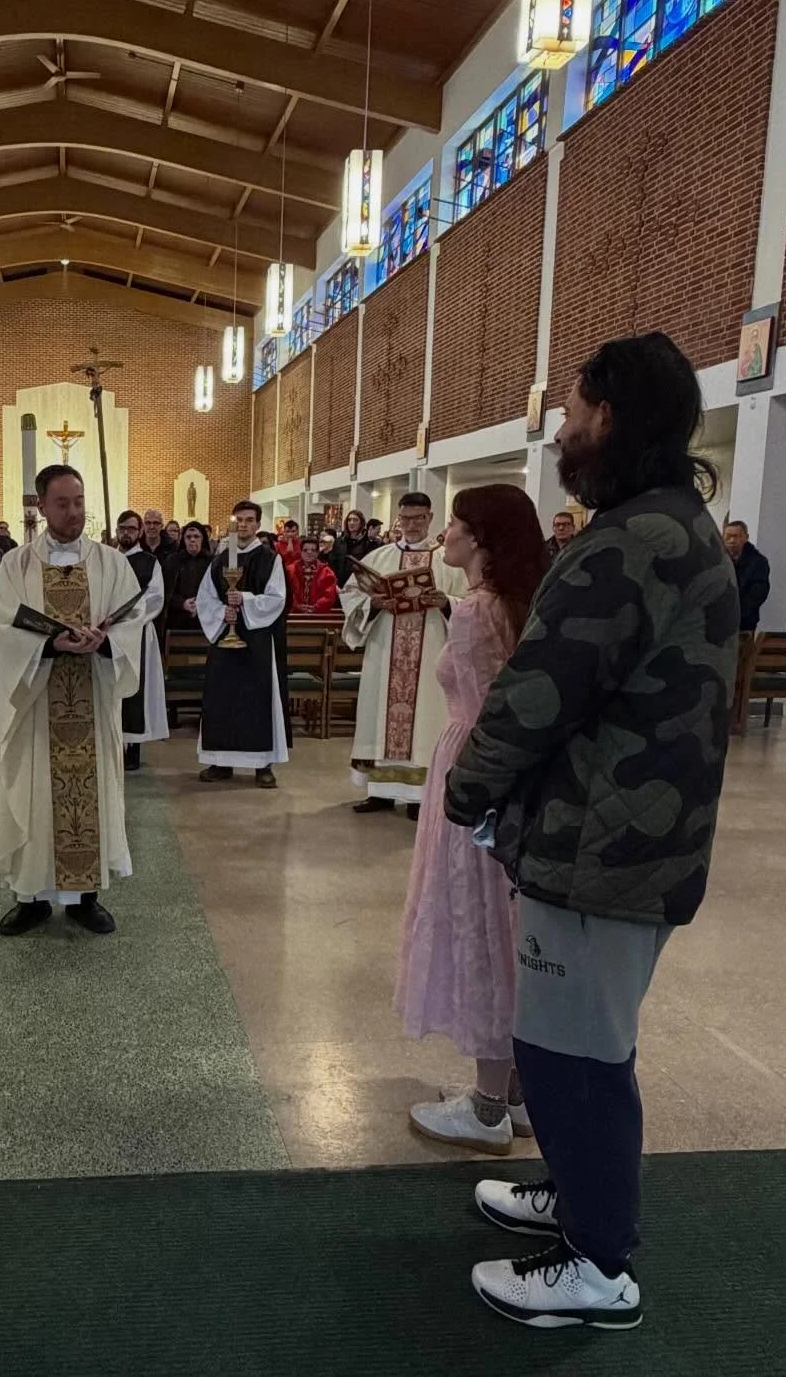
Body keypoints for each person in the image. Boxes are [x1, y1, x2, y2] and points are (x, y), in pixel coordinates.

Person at [445, 333, 739, 1330]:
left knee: (574, 1052)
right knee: (578, 1037)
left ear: (609, 418)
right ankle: (578, 1197)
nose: (563, 429)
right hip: (633, 835)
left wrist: (467, 785)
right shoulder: (673, 524)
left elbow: (535, 693)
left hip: (601, 844)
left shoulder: (620, 545)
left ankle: (598, 1261)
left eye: (572, 412)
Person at [395, 485, 549, 1155]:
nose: (444, 534)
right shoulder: (521, 605)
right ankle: (516, 1094)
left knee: (476, 920)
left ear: (481, 539)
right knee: (504, 923)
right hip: (513, 769)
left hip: (472, 764)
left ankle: (486, 1107)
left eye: (455, 523)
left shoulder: (474, 613)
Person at [0, 466, 144, 936]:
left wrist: (106, 641)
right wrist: (51, 646)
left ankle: (84, 898)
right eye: (63, 503)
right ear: (41, 505)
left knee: (90, 795)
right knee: (32, 792)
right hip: (35, 705)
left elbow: (135, 620)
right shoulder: (16, 565)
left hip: (92, 698)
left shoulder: (112, 563)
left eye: (79, 501)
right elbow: (2, 623)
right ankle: (30, 897)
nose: (74, 512)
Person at [341, 490, 464, 820]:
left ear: (429, 518)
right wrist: (373, 604)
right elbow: (351, 595)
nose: (410, 524)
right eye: (405, 518)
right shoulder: (378, 558)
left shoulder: (447, 561)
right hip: (384, 653)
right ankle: (379, 792)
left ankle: (417, 797)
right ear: (398, 518)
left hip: (428, 657)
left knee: (426, 720)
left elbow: (472, 600)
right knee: (378, 716)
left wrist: (447, 602)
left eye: (418, 518)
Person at [196, 501, 288, 789]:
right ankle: (220, 761)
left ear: (258, 525)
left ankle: (262, 764)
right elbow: (205, 597)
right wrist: (221, 612)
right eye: (241, 520)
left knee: (257, 699)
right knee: (221, 699)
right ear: (235, 523)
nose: (245, 525)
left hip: (257, 640)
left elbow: (277, 598)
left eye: (250, 520)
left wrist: (246, 600)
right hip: (225, 637)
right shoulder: (219, 561)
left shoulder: (271, 559)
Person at [114, 509, 168, 770]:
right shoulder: (107, 559)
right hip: (109, 634)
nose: (127, 532)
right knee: (112, 688)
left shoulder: (149, 562)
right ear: (116, 530)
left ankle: (133, 746)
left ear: (140, 532)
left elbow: (156, 597)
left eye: (132, 529)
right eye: (122, 528)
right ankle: (113, 744)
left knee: (135, 687)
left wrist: (127, 615)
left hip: (138, 633)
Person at [723, 520, 771, 632]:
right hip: (717, 622)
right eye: (728, 536)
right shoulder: (717, 559)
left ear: (746, 537)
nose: (732, 540)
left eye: (736, 536)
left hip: (745, 624)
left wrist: (737, 614)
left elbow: (758, 593)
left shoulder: (758, 562)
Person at [164, 521, 212, 630]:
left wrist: (200, 604)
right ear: (183, 539)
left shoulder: (212, 562)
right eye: (188, 537)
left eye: (196, 536)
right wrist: (182, 603)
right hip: (177, 619)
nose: (192, 540)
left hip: (206, 619)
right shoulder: (172, 561)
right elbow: (165, 591)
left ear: (203, 539)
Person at [286, 534, 340, 614]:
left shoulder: (327, 572)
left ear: (318, 553)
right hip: (294, 614)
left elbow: (329, 596)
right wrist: (296, 606)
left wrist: (315, 607)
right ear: (300, 552)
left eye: (313, 550)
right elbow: (286, 593)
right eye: (305, 550)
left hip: (319, 616)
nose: (309, 553)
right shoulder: (290, 570)